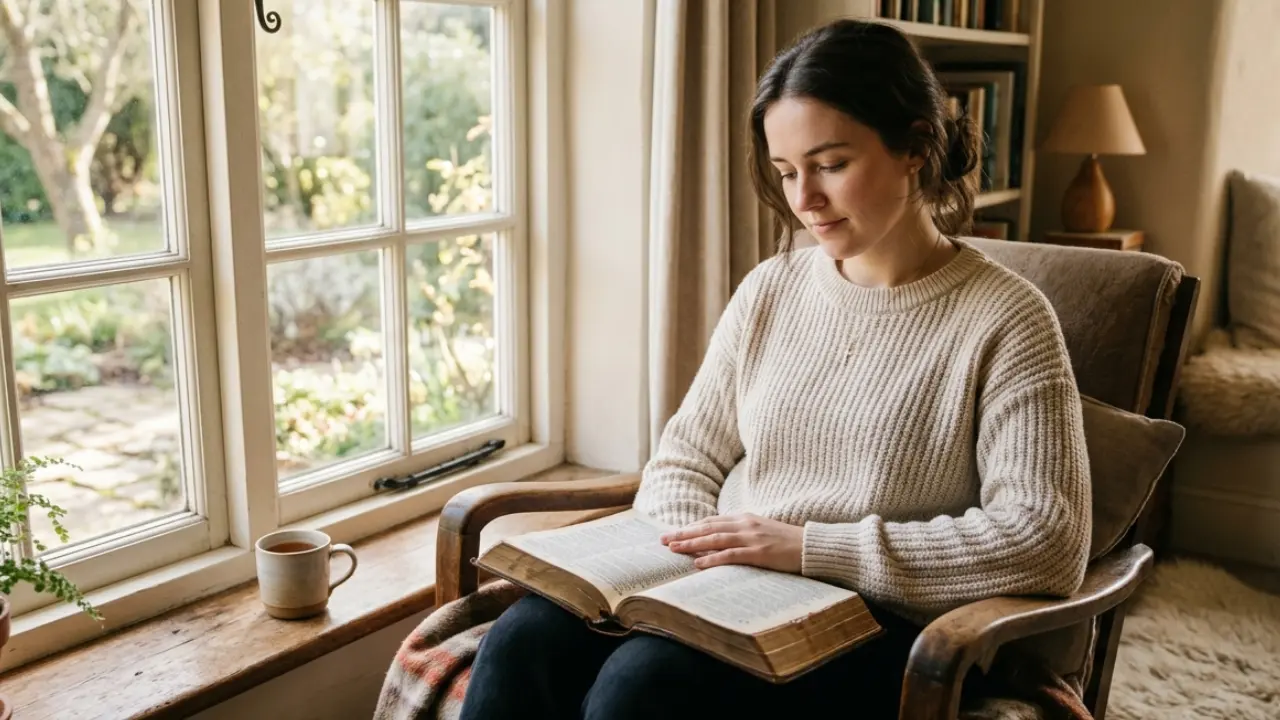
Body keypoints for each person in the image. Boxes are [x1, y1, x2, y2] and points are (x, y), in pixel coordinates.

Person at [459, 17, 1091, 720]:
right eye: (788, 172)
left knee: (641, 688)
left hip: (881, 620)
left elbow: (1045, 539)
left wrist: (808, 550)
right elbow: (683, 462)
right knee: (521, 640)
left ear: (914, 147)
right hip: (732, 590)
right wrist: (692, 561)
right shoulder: (771, 288)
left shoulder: (1008, 318)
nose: (804, 200)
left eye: (831, 164)